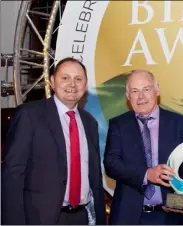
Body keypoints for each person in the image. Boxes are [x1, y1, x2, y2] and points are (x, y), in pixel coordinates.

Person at [1, 57, 106, 225]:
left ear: (85, 85)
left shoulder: (90, 122)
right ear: (51, 81)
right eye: (65, 78)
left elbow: (94, 178)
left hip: (82, 217)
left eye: (78, 79)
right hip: (40, 218)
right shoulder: (29, 115)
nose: (72, 84)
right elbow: (12, 175)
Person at [103, 69, 183, 225]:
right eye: (135, 91)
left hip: (170, 216)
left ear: (157, 90)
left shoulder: (179, 123)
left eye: (146, 89)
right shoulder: (118, 125)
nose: (141, 97)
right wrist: (146, 174)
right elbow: (111, 164)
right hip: (127, 216)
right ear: (127, 95)